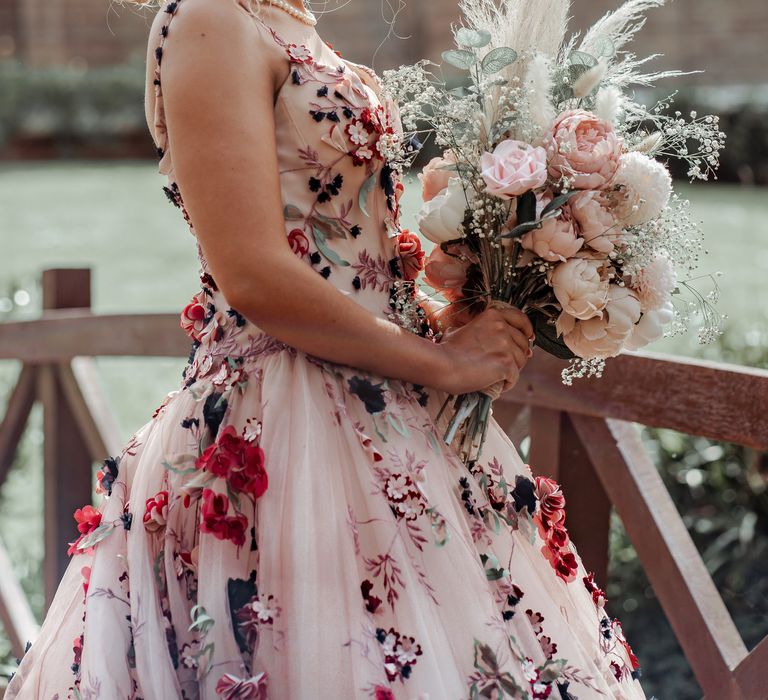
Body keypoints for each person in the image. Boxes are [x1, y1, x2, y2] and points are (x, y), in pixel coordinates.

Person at [7, 1, 646, 697]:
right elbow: (252, 274)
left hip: (395, 409)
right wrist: (445, 363)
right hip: (284, 427)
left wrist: (472, 292)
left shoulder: (289, 20)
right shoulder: (211, 18)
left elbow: (344, 251)